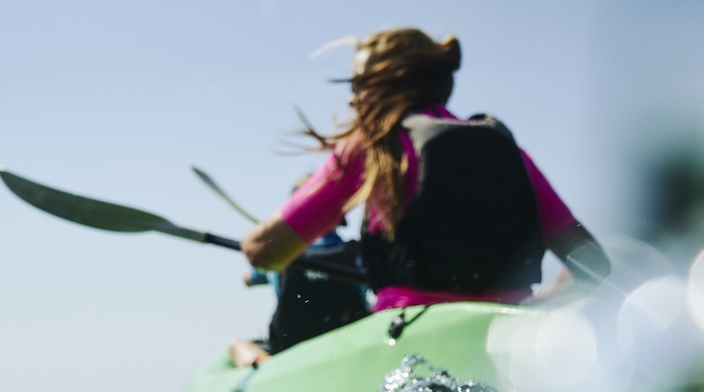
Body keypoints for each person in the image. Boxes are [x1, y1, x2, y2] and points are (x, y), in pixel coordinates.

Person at [240, 27, 611, 314]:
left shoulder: (372, 146)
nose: (352, 98)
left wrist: (251, 243)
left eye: (358, 84)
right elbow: (594, 264)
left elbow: (264, 252)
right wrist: (533, 309)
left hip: (407, 336)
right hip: (507, 329)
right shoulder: (510, 151)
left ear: (388, 81)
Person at [229, 215, 370, 367]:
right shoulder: (358, 253)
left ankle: (266, 365)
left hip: (289, 345)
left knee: (236, 345)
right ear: (340, 220)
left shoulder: (279, 255)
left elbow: (247, 279)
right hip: (353, 341)